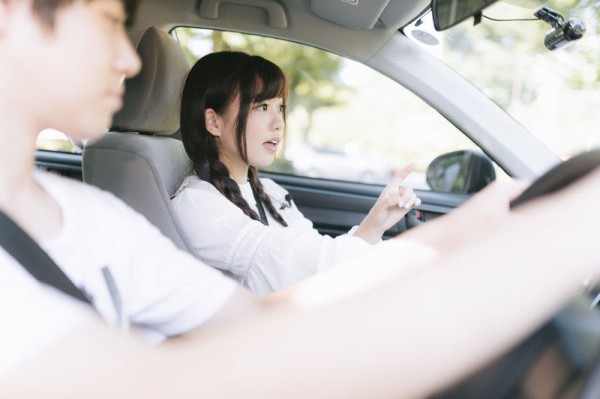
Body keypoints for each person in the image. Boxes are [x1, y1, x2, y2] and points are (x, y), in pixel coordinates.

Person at [2, 1, 600, 398]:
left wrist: (464, 231)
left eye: (277, 107)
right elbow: (175, 384)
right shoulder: (196, 202)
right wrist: (556, 238)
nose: (130, 59)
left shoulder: (95, 218)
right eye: (108, 17)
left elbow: (262, 316)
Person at [172, 51, 421, 294]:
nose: (278, 122)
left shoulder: (270, 191)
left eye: (279, 108)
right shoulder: (199, 206)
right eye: (261, 107)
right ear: (214, 122)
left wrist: (373, 225)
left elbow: (313, 255)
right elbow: (301, 269)